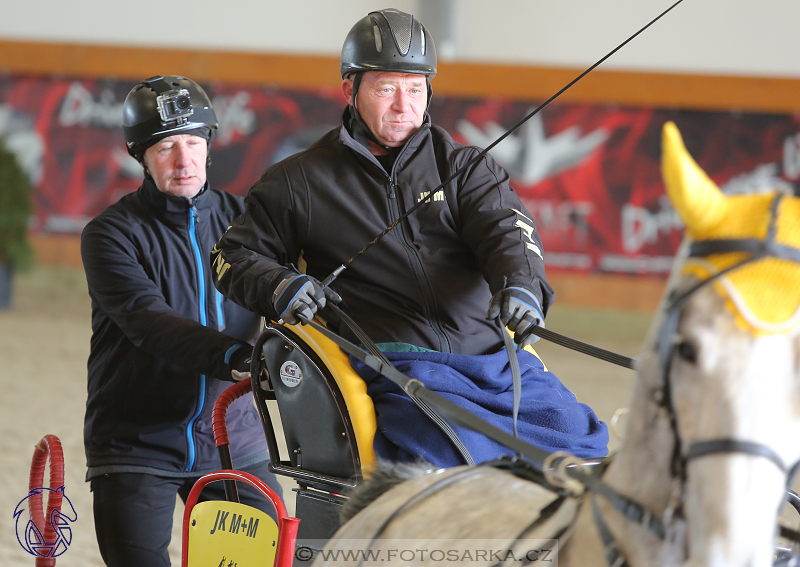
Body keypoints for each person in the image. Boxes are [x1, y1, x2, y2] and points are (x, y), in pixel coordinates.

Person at [211, 10, 608, 466]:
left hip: (496, 362)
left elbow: (506, 231)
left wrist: (520, 285)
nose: (404, 106)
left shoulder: (465, 167)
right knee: (447, 453)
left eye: (415, 90)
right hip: (398, 367)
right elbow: (232, 255)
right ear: (350, 90)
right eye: (386, 89)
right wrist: (280, 285)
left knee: (586, 447)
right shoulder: (296, 181)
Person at [81, 75, 282, 567]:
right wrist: (235, 357)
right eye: (166, 146)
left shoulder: (247, 224)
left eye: (193, 142)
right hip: (136, 441)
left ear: (209, 145)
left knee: (279, 559)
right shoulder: (110, 235)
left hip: (232, 439)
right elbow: (146, 319)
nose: (183, 159)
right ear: (141, 156)